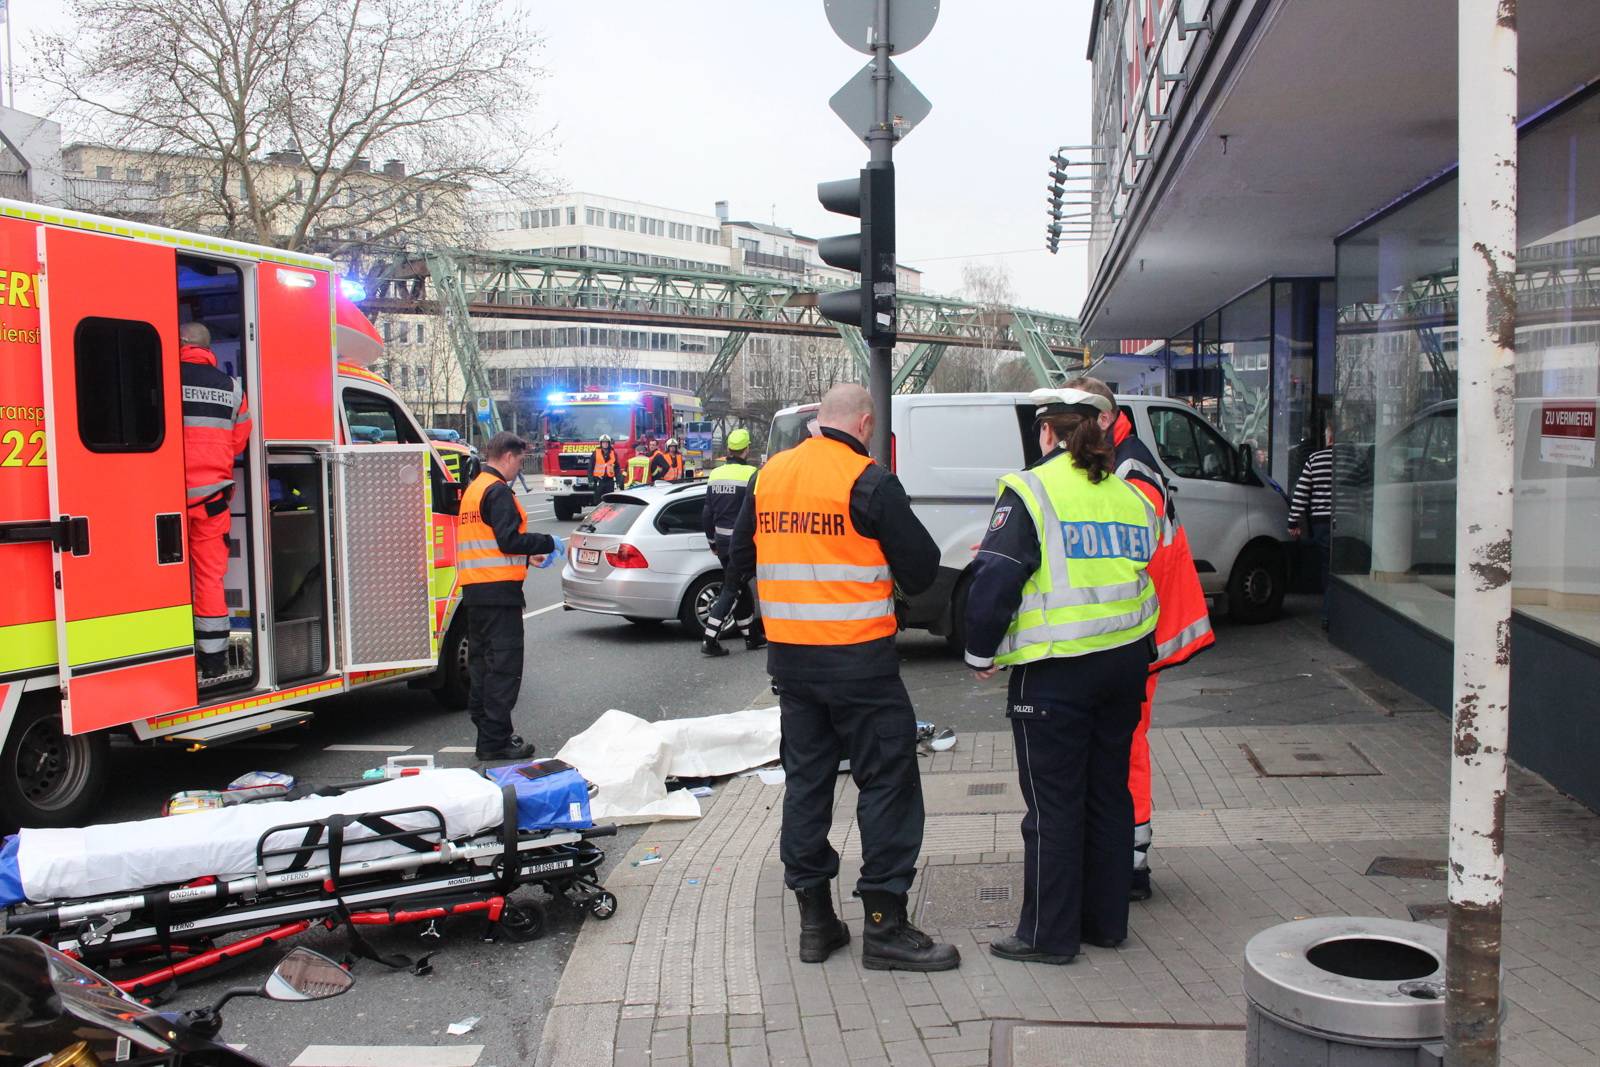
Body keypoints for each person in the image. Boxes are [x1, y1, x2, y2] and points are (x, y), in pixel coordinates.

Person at [729, 383, 958, 972]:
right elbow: (923, 565)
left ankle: (816, 922)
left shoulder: (769, 476)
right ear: (862, 422)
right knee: (887, 783)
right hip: (860, 665)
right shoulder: (868, 480)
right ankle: (883, 925)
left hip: (793, 666)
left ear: (815, 422)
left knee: (808, 785)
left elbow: (739, 561)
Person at [963, 387, 1162, 965]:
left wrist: (981, 653)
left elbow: (996, 577)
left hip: (1055, 673)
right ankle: (1106, 923)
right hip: (1124, 664)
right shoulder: (1129, 495)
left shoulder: (1030, 489)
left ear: (1047, 432)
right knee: (1107, 794)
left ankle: (1046, 936)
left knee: (1053, 804)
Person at [1068, 377, 1214, 902]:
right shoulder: (1124, 457)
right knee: (1121, 741)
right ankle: (1123, 853)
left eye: (1072, 420)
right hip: (1139, 627)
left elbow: (1131, 551)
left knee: (1126, 744)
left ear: (1102, 419)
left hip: (1143, 631)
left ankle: (1132, 862)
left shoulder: (1130, 467)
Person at [458, 432, 567, 761]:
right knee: (503, 668)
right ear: (507, 456)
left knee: (482, 666)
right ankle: (496, 741)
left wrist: (526, 557)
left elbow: (487, 543)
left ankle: (487, 733)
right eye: (520, 460)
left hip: (475, 593)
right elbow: (507, 540)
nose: (520, 467)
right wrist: (547, 542)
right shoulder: (498, 492)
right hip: (499, 595)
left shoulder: (474, 490)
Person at [180, 322, 253, 679]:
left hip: (165, 503)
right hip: (212, 501)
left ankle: (173, 656)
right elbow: (240, 441)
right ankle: (212, 661)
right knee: (209, 579)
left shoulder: (163, 376)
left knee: (165, 578)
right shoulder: (232, 387)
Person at [700, 428, 765, 657]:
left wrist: (711, 540)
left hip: (721, 542)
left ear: (728, 449)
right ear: (746, 449)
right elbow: (755, 512)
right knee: (731, 589)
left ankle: (751, 636)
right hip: (743, 544)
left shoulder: (715, 474)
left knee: (739, 587)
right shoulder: (751, 474)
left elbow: (707, 512)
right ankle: (710, 639)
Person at [1289, 420, 1335, 626]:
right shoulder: (1352, 459)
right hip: (1348, 522)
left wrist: (1293, 522)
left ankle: (1327, 613)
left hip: (1322, 522)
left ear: (1329, 437)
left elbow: (1301, 492)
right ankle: (1334, 611)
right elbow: (1364, 492)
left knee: (1328, 567)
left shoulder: (1315, 459)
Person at [590, 434, 620, 502]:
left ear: (609, 443)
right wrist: (591, 480)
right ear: (601, 443)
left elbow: (617, 468)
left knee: (609, 500)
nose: (605, 444)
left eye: (606, 442)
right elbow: (590, 468)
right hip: (599, 481)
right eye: (603, 442)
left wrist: (619, 481)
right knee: (598, 501)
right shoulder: (595, 453)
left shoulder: (613, 453)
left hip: (610, 481)